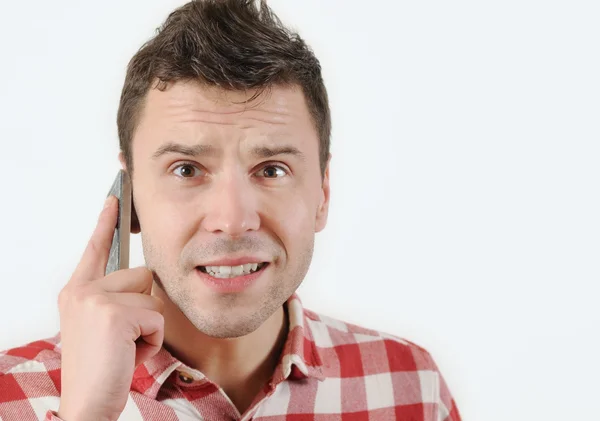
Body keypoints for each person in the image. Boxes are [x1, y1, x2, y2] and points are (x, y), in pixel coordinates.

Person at [0, 1, 461, 420]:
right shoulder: (12, 397)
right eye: (186, 170)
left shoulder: (412, 388)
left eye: (272, 170)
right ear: (129, 198)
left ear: (323, 192)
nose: (234, 219)